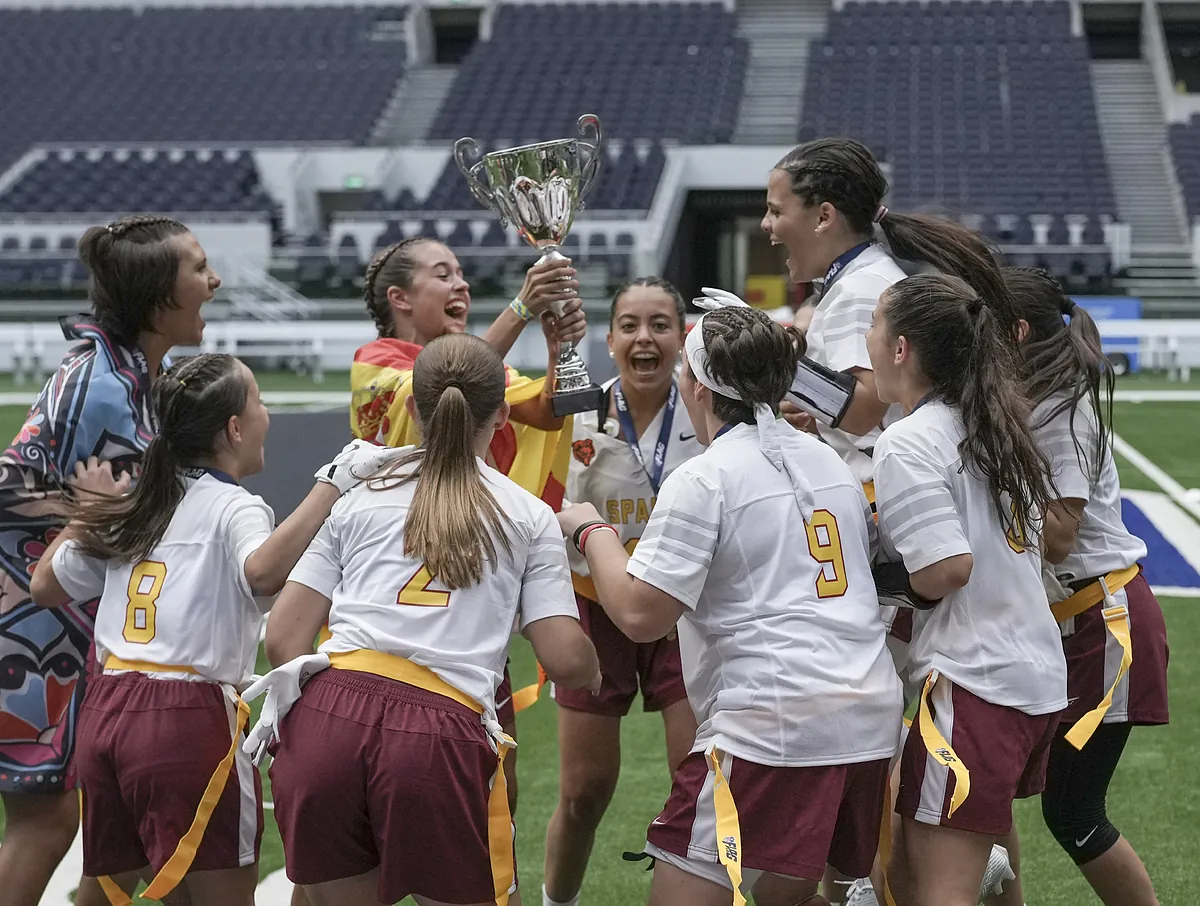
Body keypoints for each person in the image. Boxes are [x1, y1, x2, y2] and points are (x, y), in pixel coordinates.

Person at [558, 301, 904, 906]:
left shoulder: (706, 475)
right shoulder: (826, 458)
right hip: (866, 717)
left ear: (696, 384)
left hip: (770, 723)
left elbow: (641, 615)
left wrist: (592, 532)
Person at [762, 137, 1024, 904]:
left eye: (778, 210)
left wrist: (769, 361)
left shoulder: (866, 287)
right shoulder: (853, 284)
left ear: (824, 214)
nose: (769, 226)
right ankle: (948, 874)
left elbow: (867, 400)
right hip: (894, 536)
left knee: (864, 731)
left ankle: (893, 880)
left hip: (889, 541)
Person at [251, 332, 601, 906]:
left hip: (329, 717)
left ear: (411, 408)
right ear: (503, 415)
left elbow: (283, 636)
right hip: (438, 731)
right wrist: (591, 669)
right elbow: (563, 656)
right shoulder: (528, 514)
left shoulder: (358, 495)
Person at [26, 353, 383, 904]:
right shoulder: (234, 506)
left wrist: (91, 511)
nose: (267, 414)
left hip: (106, 713)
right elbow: (262, 573)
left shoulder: (138, 501)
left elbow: (44, 586)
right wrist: (331, 486)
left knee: (120, 889)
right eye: (259, 401)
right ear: (234, 428)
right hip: (187, 721)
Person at [0, 214, 221, 906]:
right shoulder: (107, 391)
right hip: (34, 631)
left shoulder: (121, 375)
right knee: (48, 817)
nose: (213, 282)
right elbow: (129, 518)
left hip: (49, 621)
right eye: (198, 269)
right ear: (158, 296)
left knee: (106, 813)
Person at [865, 274, 1068, 906]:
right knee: (980, 863)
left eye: (874, 324)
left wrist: (874, 570)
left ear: (901, 348)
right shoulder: (992, 421)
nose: (865, 338)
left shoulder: (908, 439)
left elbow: (947, 569)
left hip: (971, 682)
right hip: (1028, 674)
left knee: (940, 890)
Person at [1006, 267, 1167, 906]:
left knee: (1074, 810)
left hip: (1103, 620)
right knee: (994, 788)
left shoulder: (1059, 409)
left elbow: (1059, 533)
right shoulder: (1039, 397)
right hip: (1077, 618)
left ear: (1015, 332)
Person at [542, 278, 700, 906]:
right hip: (594, 608)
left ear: (682, 338)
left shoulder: (706, 410)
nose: (645, 337)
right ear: (608, 340)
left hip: (683, 610)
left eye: (660, 324)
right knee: (584, 793)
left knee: (696, 781)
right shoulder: (575, 409)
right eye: (630, 325)